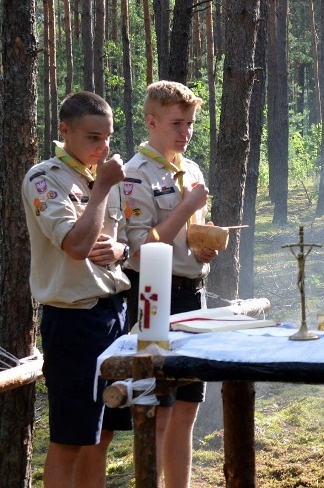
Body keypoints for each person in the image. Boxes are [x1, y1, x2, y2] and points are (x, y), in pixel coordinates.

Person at [21, 91, 132, 487]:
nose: (102, 147)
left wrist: (122, 250)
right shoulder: (44, 178)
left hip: (114, 314)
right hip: (72, 320)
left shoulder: (106, 177)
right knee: (70, 439)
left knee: (102, 434)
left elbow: (123, 244)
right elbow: (77, 247)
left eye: (107, 137)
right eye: (92, 137)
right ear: (64, 131)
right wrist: (101, 189)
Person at [121, 80, 217, 488]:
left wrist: (205, 245)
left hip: (194, 290)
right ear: (152, 121)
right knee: (161, 406)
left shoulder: (189, 169)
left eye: (191, 123)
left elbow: (186, 236)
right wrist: (188, 207)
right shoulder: (134, 174)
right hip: (155, 295)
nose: (186, 132)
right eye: (178, 123)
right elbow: (141, 248)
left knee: (188, 407)